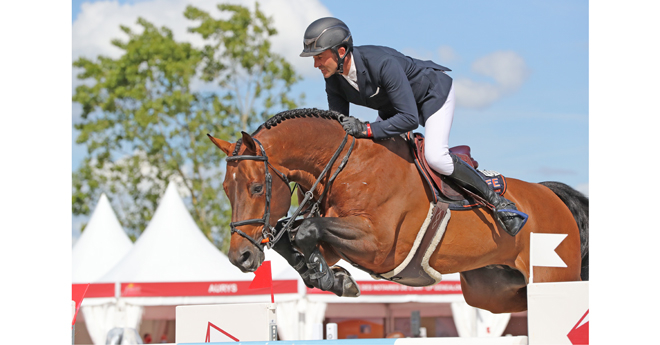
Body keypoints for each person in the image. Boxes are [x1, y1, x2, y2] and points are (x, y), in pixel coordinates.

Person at [300, 17, 527, 236]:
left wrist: (367, 129)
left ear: (341, 52)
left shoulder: (382, 63)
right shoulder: (333, 77)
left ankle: (498, 203)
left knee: (436, 156)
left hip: (432, 96)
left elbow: (408, 119)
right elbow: (339, 126)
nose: (315, 64)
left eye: (319, 57)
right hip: (395, 108)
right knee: (368, 153)